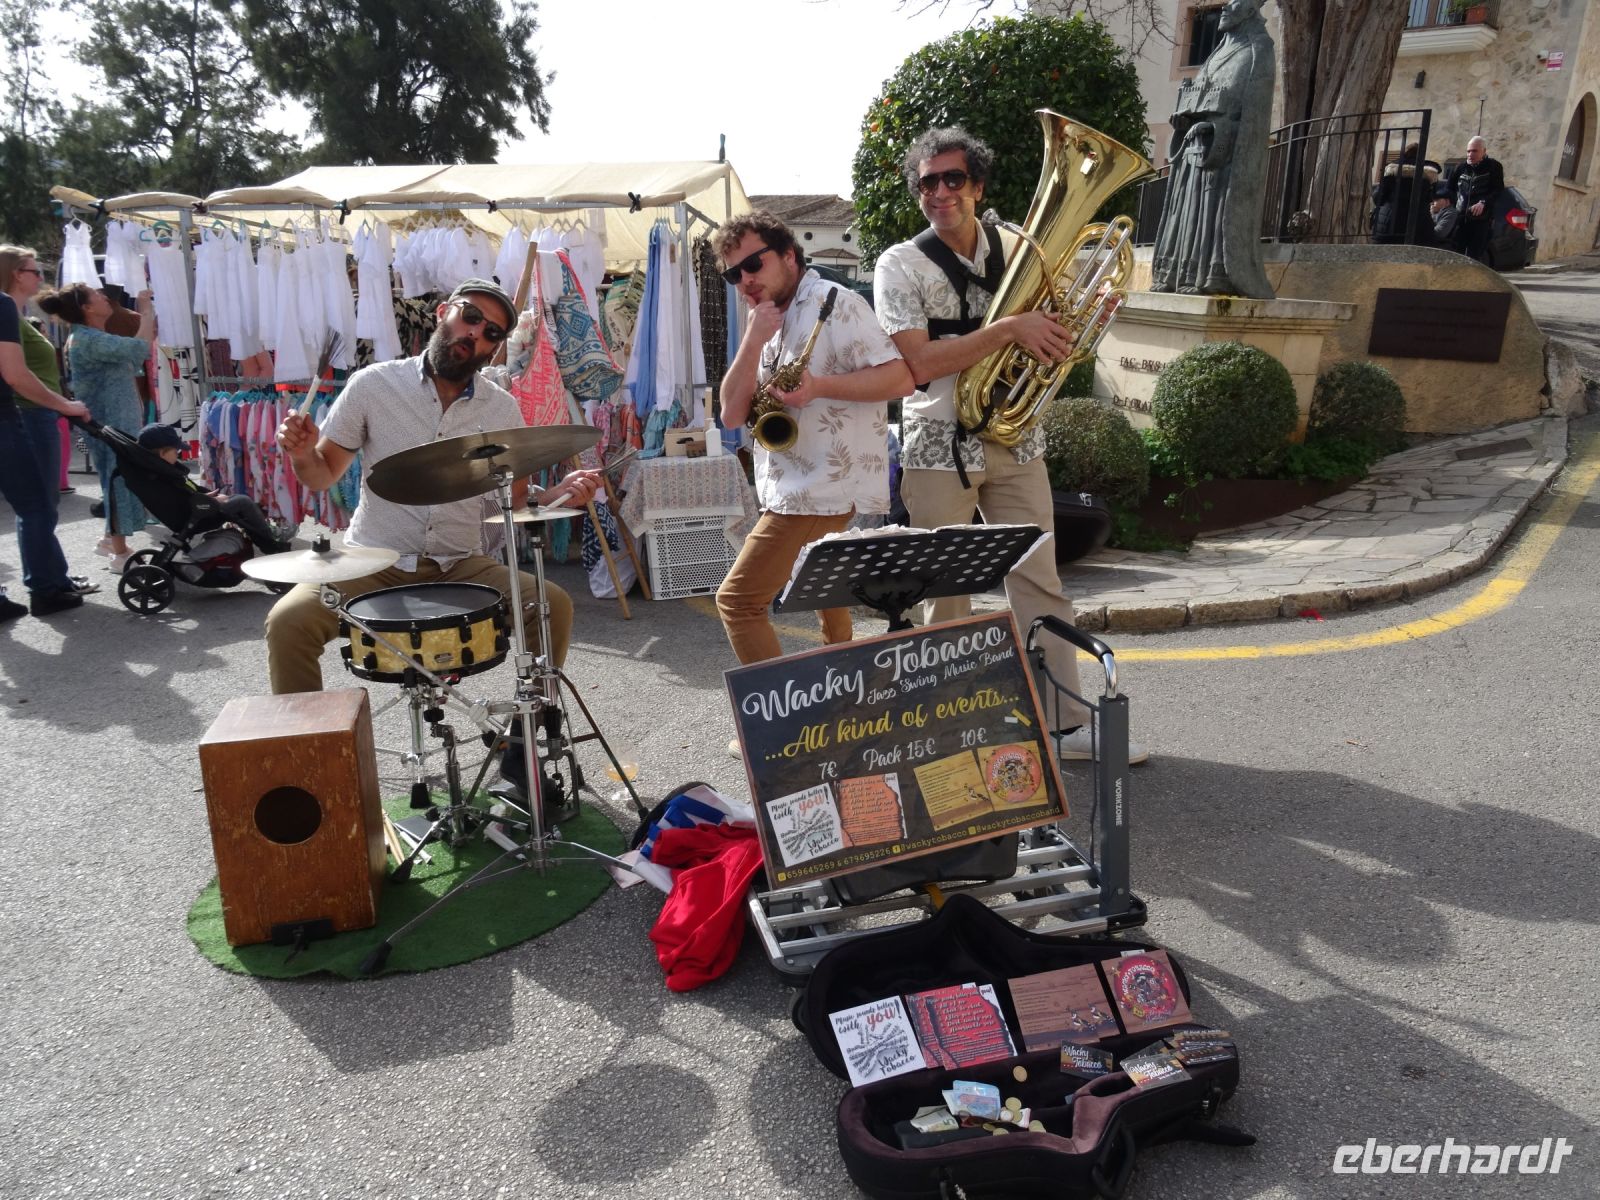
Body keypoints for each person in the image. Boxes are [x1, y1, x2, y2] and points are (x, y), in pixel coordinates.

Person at [873, 126, 1149, 764]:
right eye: (927, 182)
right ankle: (942, 727)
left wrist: (1077, 323)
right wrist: (1009, 330)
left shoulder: (1021, 244)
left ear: (978, 186)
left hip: (1018, 437)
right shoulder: (899, 264)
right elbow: (917, 361)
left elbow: (1054, 329)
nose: (939, 192)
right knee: (943, 588)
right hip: (938, 441)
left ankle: (1067, 724)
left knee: (1040, 579)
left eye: (953, 179)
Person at [268, 278, 602, 695]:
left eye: (492, 332)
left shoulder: (502, 408)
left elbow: (515, 502)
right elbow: (323, 473)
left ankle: (528, 734)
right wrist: (302, 453)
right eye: (472, 316)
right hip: (372, 560)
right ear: (444, 312)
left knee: (552, 603)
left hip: (460, 562)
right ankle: (310, 751)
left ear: (495, 348)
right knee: (287, 621)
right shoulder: (373, 384)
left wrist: (559, 494)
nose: (476, 332)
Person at [712, 210, 913, 669]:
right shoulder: (765, 318)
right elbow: (730, 413)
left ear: (787, 255)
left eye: (753, 265)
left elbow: (901, 378)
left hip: (819, 489)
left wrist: (819, 388)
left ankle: (778, 732)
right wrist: (753, 338)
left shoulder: (835, 303)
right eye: (733, 273)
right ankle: (842, 705)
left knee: (739, 602)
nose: (744, 279)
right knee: (826, 591)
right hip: (791, 484)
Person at [1150, 0, 1276, 298]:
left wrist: (1215, 127)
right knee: (1188, 213)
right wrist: (1183, 118)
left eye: (1233, 4)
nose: (1224, 9)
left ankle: (1212, 277)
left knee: (1211, 215)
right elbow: (1202, 98)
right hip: (1195, 153)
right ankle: (1177, 275)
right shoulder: (1217, 53)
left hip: (1223, 159)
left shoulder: (1258, 51)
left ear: (1250, 10)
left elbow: (1251, 118)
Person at [36, 282, 156, 573]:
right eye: (97, 296)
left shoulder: (90, 336)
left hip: (114, 421)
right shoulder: (88, 338)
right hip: (111, 423)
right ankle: (119, 550)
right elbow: (140, 349)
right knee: (117, 480)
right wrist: (147, 312)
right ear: (87, 308)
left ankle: (109, 540)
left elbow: (135, 357)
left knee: (114, 479)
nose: (104, 297)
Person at [1, 245, 97, 596]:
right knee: (38, 505)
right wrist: (65, 405)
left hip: (32, 412)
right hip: (28, 413)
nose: (40, 278)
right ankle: (47, 583)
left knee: (41, 505)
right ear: (16, 273)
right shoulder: (7, 309)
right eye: (33, 270)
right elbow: (17, 374)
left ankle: (52, 576)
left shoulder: (17, 313)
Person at [135, 422, 291, 556]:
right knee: (244, 503)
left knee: (238, 501)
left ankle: (268, 536)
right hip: (195, 515)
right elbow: (179, 501)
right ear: (162, 453)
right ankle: (271, 546)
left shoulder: (162, 470)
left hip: (195, 509)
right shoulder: (165, 475)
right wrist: (212, 501)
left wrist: (206, 496)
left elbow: (183, 495)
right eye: (176, 451)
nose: (178, 454)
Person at [1445, 135, 1506, 264]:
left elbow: (1498, 190)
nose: (1470, 154)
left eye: (1474, 151)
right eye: (1468, 151)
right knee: (1455, 255)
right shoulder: (1460, 168)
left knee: (1474, 257)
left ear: (1484, 151)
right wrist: (1454, 203)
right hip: (1461, 218)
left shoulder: (1493, 167)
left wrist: (1483, 202)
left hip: (1481, 220)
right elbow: (1449, 189)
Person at [1370, 145, 1443, 246]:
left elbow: (1378, 198)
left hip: (1389, 224)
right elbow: (1430, 198)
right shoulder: (1428, 174)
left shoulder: (1392, 170)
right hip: (1417, 224)